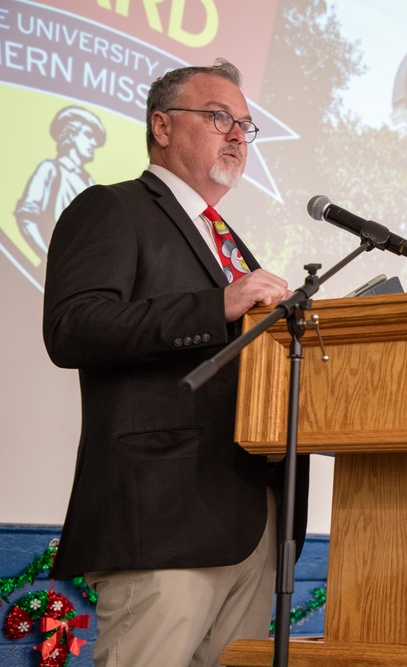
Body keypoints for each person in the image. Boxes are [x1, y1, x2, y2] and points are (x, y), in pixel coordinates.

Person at [43, 59, 309, 667]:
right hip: (162, 522)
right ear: (162, 126)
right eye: (220, 117)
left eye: (246, 124)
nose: (238, 135)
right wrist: (216, 304)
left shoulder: (230, 241)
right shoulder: (111, 208)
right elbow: (72, 328)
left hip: (251, 522)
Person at [15, 106, 106, 257]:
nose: (93, 143)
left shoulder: (89, 180)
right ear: (71, 135)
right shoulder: (50, 169)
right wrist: (49, 258)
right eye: (88, 135)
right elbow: (27, 217)